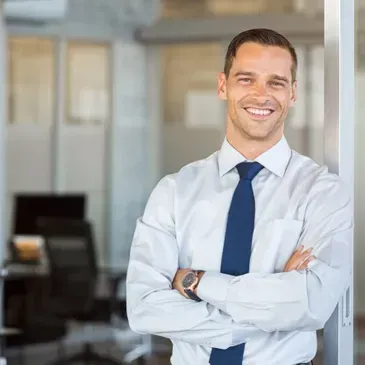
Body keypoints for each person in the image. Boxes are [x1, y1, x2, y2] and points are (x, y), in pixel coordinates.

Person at [126, 28, 352, 365]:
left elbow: (311, 305)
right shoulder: (175, 190)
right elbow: (144, 309)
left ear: (293, 93)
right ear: (223, 86)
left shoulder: (323, 193)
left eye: (276, 82)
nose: (261, 95)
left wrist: (197, 282)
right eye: (246, 79)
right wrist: (272, 306)